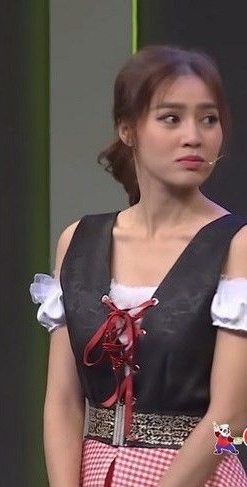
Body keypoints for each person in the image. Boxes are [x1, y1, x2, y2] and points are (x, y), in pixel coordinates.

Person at [31, 46, 247, 486]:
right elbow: (62, 402)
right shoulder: (79, 241)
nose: (194, 136)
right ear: (127, 129)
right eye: (171, 118)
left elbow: (232, 417)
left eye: (208, 119)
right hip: (96, 472)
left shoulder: (237, 245)